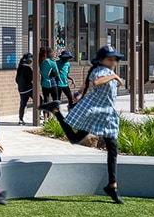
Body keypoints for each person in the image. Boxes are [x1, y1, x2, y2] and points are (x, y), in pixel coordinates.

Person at [41, 45, 126, 204]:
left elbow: (91, 85)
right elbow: (97, 81)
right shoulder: (100, 71)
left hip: (108, 116)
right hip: (95, 113)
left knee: (113, 149)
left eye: (114, 59)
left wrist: (80, 93)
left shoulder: (107, 72)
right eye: (110, 58)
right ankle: (55, 111)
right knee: (74, 139)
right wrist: (114, 76)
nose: (113, 61)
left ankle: (112, 185)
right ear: (101, 60)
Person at [15, 52, 35, 125]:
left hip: (21, 90)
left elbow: (16, 79)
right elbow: (32, 79)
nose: (31, 61)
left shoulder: (20, 67)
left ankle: (20, 119)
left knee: (23, 104)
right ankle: (39, 115)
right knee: (40, 100)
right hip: (29, 89)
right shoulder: (27, 68)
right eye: (31, 59)